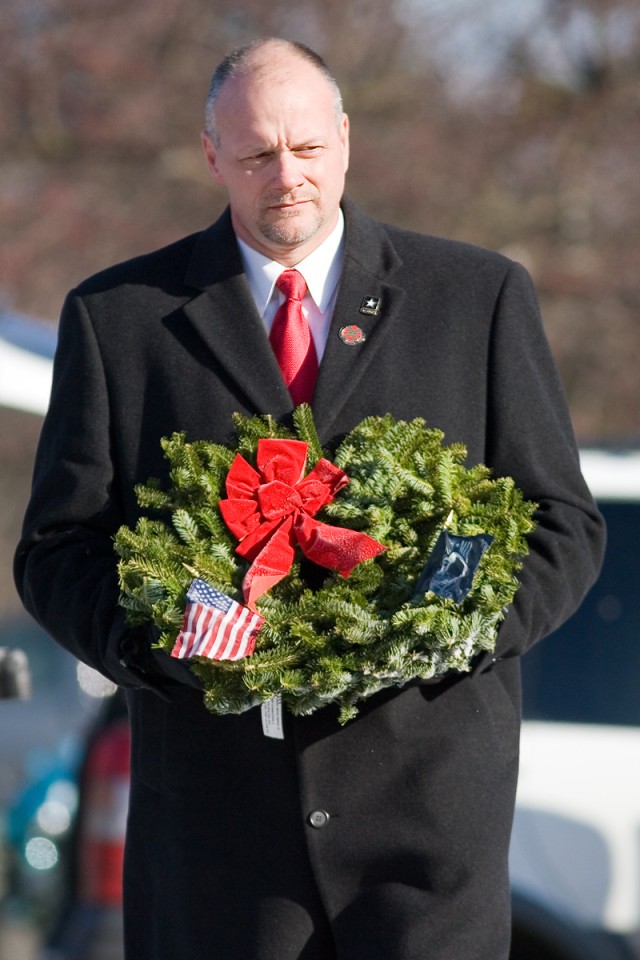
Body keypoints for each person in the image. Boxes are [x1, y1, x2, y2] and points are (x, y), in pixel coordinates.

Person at [14, 38, 605, 960]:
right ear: (213, 156)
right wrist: (162, 639)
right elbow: (58, 546)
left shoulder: (477, 298)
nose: (285, 176)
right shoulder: (119, 318)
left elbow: (561, 524)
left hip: (427, 827)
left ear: (344, 138)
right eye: (255, 155)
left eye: (306, 148)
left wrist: (455, 628)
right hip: (216, 841)